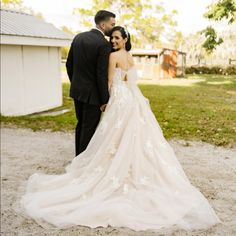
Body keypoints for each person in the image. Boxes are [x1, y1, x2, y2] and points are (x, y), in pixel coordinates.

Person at [14, 26, 222, 232]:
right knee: (132, 137)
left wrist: (106, 102)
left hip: (121, 101)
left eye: (115, 38)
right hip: (133, 101)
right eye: (112, 38)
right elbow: (132, 81)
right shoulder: (130, 57)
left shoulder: (113, 57)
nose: (112, 41)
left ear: (124, 39)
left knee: (113, 137)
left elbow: (109, 82)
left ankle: (116, 170)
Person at [66, 10, 116, 156]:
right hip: (93, 95)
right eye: (112, 24)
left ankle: (78, 158)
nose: (113, 27)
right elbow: (101, 75)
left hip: (77, 91)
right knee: (89, 128)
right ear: (102, 24)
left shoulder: (78, 37)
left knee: (81, 125)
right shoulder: (103, 44)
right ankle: (82, 164)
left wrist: (76, 83)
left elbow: (69, 65)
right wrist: (104, 100)